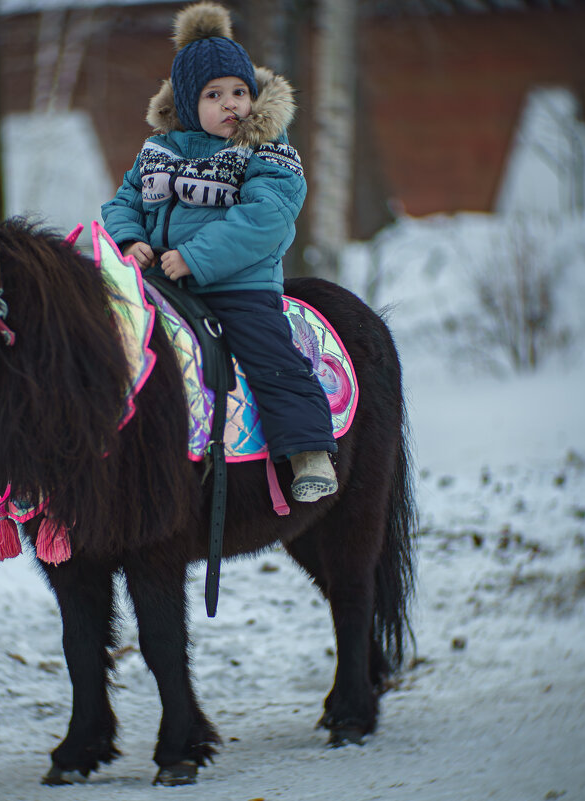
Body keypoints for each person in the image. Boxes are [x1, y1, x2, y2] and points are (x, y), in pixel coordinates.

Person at [101, 1, 337, 502]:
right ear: (188, 104)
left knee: (268, 351)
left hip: (238, 285)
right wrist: (131, 241)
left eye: (239, 92)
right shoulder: (160, 151)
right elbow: (123, 201)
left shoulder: (267, 150)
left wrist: (195, 256)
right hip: (162, 284)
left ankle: (309, 448)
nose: (231, 104)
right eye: (214, 95)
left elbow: (266, 217)